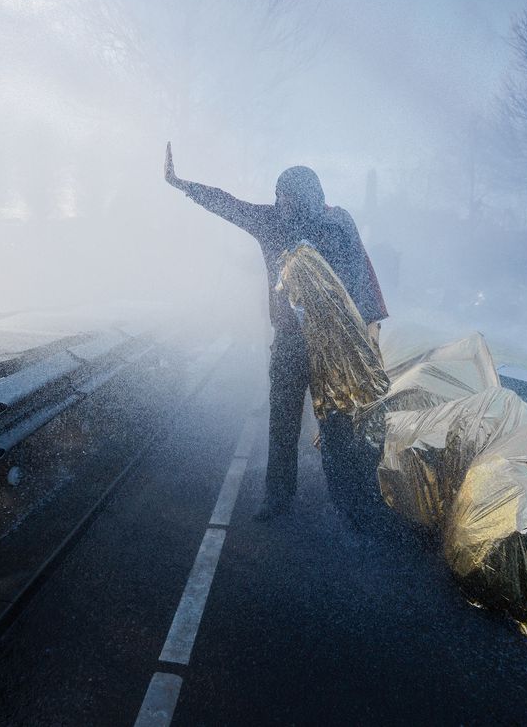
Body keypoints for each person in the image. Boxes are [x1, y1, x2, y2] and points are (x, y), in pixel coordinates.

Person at [163, 143, 387, 521]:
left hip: (325, 345)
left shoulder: (313, 221)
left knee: (324, 424)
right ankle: (317, 502)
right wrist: (183, 183)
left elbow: (361, 275)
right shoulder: (322, 220)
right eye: (281, 196)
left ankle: (322, 501)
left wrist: (370, 328)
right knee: (303, 422)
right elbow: (227, 203)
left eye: (287, 195)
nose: (283, 202)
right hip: (300, 343)